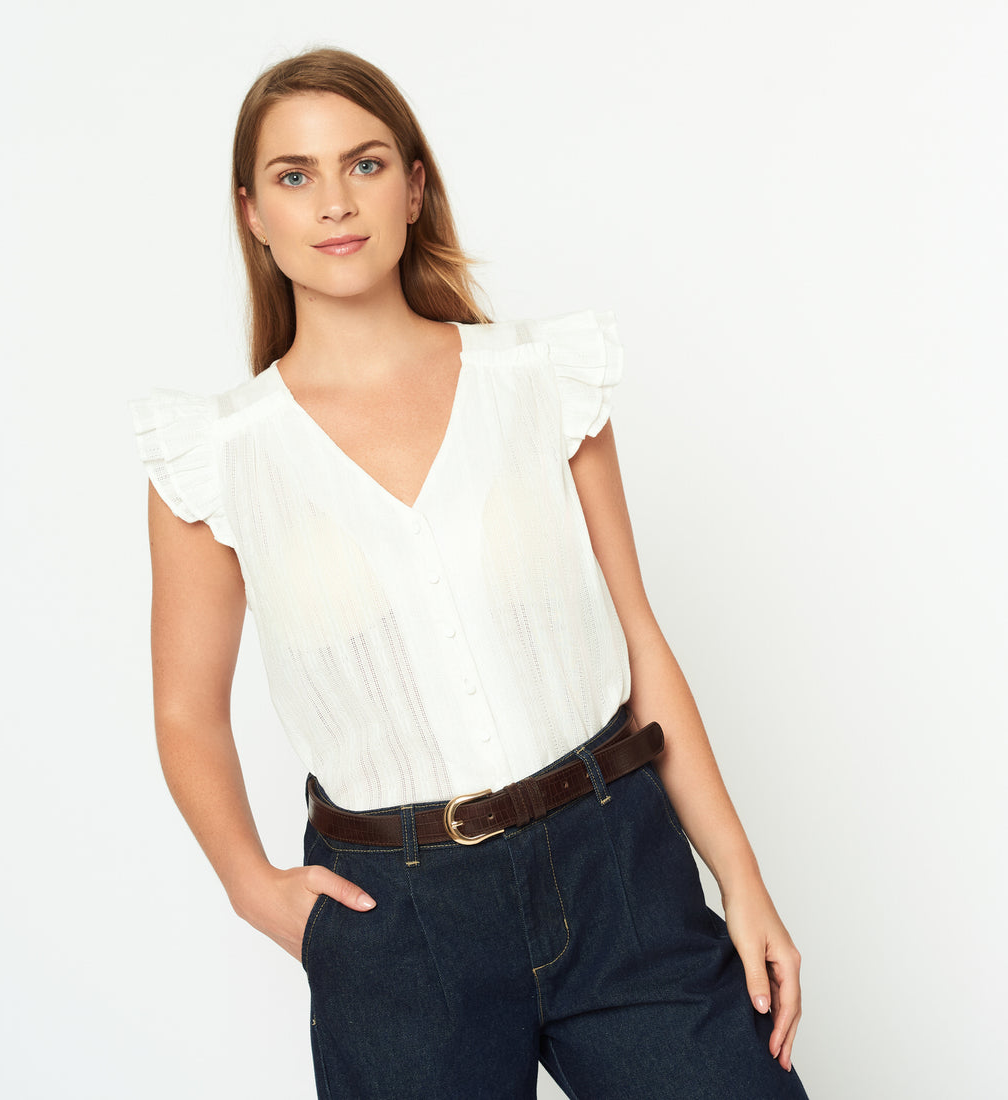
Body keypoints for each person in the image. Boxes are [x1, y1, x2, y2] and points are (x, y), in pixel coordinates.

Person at [129, 47, 809, 1099]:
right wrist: (250, 884)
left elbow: (637, 637)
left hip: (618, 873)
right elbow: (186, 711)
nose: (334, 201)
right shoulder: (216, 458)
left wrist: (741, 877)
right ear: (252, 213)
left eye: (363, 164)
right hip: (396, 925)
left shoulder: (542, 383)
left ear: (413, 186)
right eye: (294, 175)